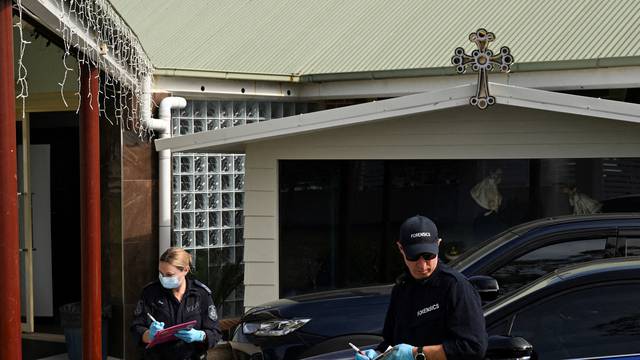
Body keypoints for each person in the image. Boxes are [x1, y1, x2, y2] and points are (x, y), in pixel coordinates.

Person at [356, 215, 487, 360]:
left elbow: (474, 347)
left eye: (428, 255)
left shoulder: (455, 287)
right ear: (401, 248)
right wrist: (377, 355)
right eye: (413, 256)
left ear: (438, 244)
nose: (422, 265)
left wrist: (416, 353)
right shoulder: (401, 288)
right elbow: (390, 343)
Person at [131, 247, 222, 360]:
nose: (163, 278)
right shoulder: (151, 293)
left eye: (169, 275)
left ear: (185, 270)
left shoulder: (200, 294)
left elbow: (215, 332)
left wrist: (200, 335)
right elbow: (136, 329)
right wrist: (149, 335)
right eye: (161, 273)